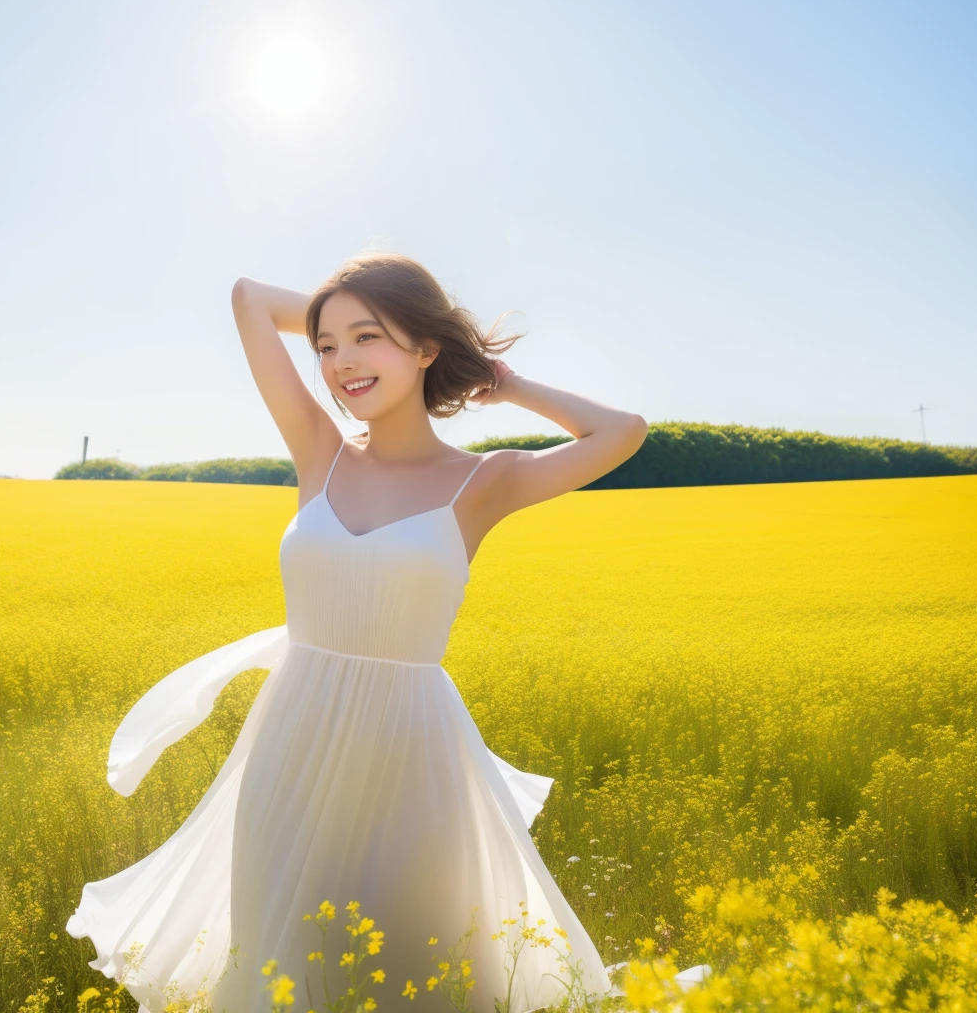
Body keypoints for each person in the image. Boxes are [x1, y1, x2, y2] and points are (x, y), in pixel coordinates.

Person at [66, 253, 654, 1012]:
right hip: (290, 743)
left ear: (424, 347)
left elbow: (622, 431)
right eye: (325, 345)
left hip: (411, 753)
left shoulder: (484, 482)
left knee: (410, 960)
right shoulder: (320, 452)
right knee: (281, 956)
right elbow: (247, 299)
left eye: (367, 337)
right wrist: (354, 312)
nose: (341, 362)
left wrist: (505, 384)